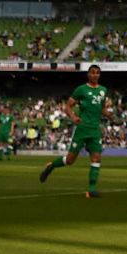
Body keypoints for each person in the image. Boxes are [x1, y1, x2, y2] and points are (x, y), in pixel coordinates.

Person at [39, 65, 110, 198]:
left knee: (96, 158)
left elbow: (101, 109)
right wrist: (73, 117)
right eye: (92, 72)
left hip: (95, 130)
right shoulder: (81, 90)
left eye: (97, 73)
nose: (95, 75)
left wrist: (111, 116)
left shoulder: (103, 90)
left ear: (100, 75)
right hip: (82, 128)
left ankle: (91, 190)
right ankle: (51, 166)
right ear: (88, 74)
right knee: (70, 160)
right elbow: (68, 106)